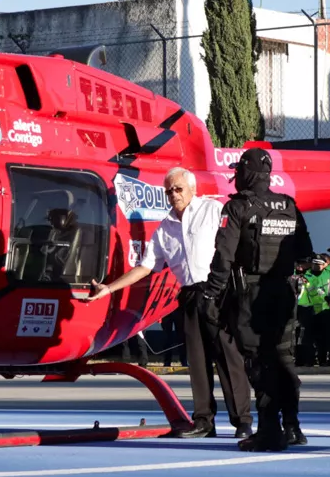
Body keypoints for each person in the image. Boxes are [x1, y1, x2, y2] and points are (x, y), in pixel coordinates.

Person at [86, 167, 252, 439]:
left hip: (217, 290)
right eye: (169, 191)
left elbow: (236, 243)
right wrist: (109, 288)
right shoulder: (165, 228)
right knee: (197, 362)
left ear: (192, 189)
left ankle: (242, 422)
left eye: (178, 189)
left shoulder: (212, 210)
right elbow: (146, 266)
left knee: (227, 357)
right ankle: (203, 421)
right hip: (188, 294)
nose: (174, 195)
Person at [201, 148, 314, 451]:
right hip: (284, 292)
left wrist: (211, 292)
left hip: (251, 293)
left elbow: (223, 256)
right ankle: (292, 426)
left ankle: (268, 430)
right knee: (284, 360)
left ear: (246, 173)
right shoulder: (289, 205)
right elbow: (305, 252)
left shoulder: (237, 207)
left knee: (260, 362)